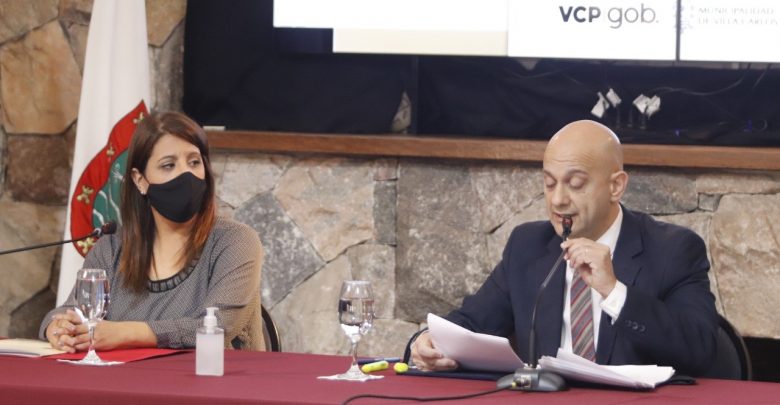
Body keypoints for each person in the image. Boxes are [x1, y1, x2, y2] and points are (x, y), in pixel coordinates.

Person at [407, 120, 717, 376]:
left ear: (615, 186)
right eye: (550, 183)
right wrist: (427, 341)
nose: (558, 200)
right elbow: (473, 323)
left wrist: (614, 291)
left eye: (575, 184)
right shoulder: (528, 245)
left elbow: (700, 349)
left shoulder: (673, 250)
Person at [40, 111, 265, 351]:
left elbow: (219, 326)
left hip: (216, 373)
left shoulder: (235, 241)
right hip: (127, 375)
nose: (186, 174)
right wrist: (58, 327)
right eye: (169, 165)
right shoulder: (111, 249)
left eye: (194, 162)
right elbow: (70, 311)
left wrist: (128, 333)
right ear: (140, 180)